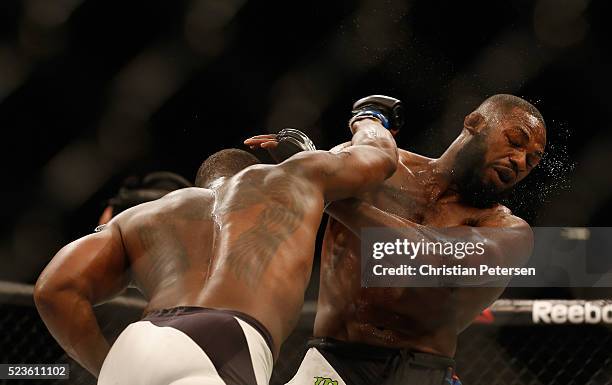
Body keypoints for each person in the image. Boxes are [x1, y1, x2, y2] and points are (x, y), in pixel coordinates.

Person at [33, 95, 400, 385]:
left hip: (135, 345)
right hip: (223, 341)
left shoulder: (145, 215)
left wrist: (109, 369)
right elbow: (380, 157)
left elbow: (53, 289)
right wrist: (369, 117)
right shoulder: (295, 177)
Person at [286, 94, 546, 385]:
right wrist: (363, 124)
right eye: (515, 141)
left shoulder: (509, 230)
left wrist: (328, 196)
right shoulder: (382, 171)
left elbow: (445, 259)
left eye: (532, 160)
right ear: (475, 123)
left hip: (422, 371)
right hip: (333, 361)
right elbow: (348, 157)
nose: (521, 160)